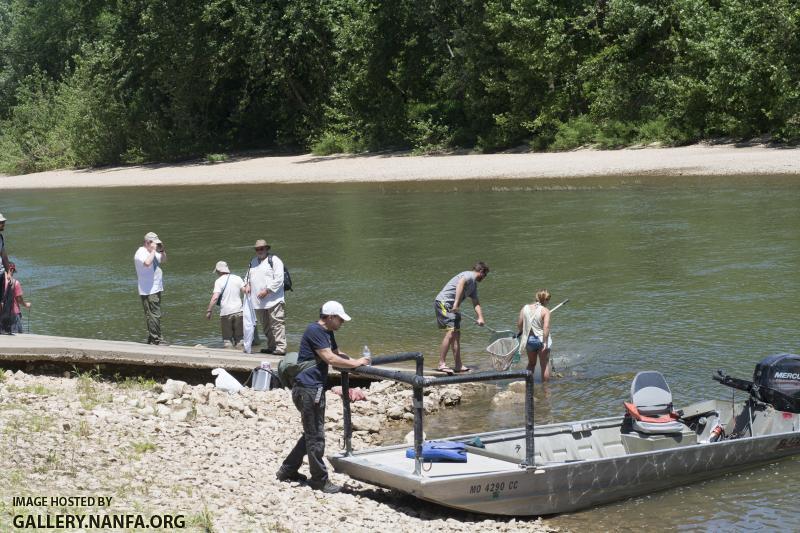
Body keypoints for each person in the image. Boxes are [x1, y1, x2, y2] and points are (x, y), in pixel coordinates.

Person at [276, 301, 370, 494]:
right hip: (309, 389)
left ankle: (287, 470)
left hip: (311, 388)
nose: (342, 322)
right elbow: (330, 359)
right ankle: (319, 480)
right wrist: (355, 363)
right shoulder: (315, 331)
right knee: (316, 435)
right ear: (329, 317)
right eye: (340, 319)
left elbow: (337, 353)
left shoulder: (327, 333)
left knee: (311, 432)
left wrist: (356, 363)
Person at [433, 261, 490, 374]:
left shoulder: (473, 285)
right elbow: (460, 284)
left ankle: (458, 365)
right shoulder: (468, 275)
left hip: (453, 307)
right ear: (481, 271)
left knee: (457, 335)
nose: (484, 278)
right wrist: (456, 304)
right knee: (451, 332)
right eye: (485, 275)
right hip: (444, 303)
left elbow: (476, 302)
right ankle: (441, 364)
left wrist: (480, 318)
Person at [243, 239, 286, 355]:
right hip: (259, 302)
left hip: (274, 300)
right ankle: (272, 347)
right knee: (266, 326)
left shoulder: (275, 260)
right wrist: (246, 285)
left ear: (267, 249)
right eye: (257, 249)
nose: (259, 251)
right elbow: (247, 278)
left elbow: (279, 279)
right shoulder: (252, 262)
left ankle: (281, 348)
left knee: (277, 324)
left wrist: (267, 290)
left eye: (262, 248)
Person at [134, 231, 168, 345]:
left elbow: (163, 260)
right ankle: (157, 339)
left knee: (152, 314)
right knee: (154, 314)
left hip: (156, 287)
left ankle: (152, 337)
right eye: (154, 243)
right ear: (147, 242)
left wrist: (162, 250)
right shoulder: (141, 252)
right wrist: (153, 250)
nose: (155, 246)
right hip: (148, 289)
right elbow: (147, 263)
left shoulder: (152, 251)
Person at [205, 261, 245, 348]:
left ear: (219, 271)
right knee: (240, 339)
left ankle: (229, 355)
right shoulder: (237, 278)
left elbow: (215, 297)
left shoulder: (219, 281)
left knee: (227, 340)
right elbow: (245, 291)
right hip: (239, 311)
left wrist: (209, 310)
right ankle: (241, 354)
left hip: (226, 313)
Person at [516, 289, 552, 381]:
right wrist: (545, 342)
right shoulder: (545, 310)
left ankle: (527, 385)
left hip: (529, 339)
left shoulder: (525, 308)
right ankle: (545, 389)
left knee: (531, 364)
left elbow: (519, 324)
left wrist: (522, 331)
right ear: (546, 300)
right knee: (544, 365)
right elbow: (546, 327)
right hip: (540, 339)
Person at [1, 263, 30, 334]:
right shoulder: (15, 283)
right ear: (11, 270)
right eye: (13, 271)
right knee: (17, 337)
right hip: (14, 314)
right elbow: (19, 299)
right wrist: (26, 305)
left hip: (2, 314)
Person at [0, 213, 10, 306]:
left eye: (3, 222)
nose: (3, 224)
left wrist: (9, 273)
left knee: (1, 301)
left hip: (1, 274)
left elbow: (4, 256)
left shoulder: (1, 238)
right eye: (2, 222)